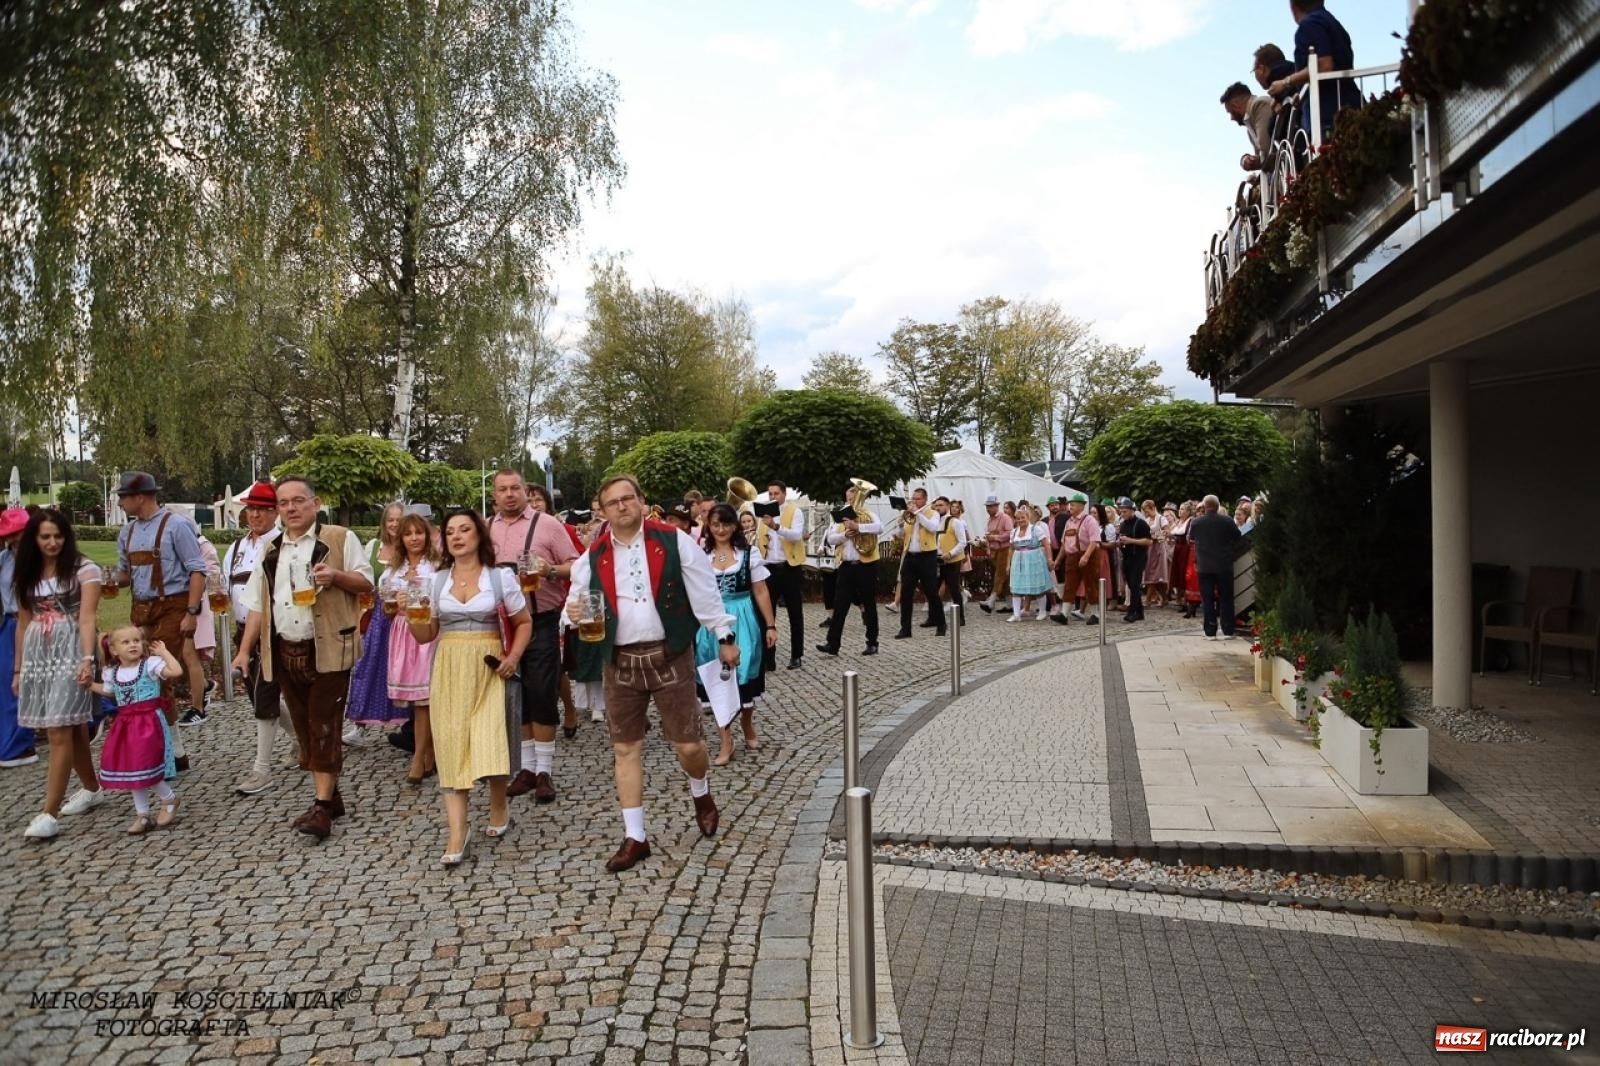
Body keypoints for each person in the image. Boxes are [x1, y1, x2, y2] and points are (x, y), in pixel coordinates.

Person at [566, 474, 738, 873]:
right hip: (619, 660)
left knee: (689, 746)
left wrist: (725, 634)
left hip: (671, 655)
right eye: (614, 502)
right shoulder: (594, 553)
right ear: (603, 510)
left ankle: (701, 791)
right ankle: (635, 837)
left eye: (629, 499)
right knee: (625, 748)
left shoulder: (673, 540)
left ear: (642, 502)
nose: (622, 507)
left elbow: (705, 590)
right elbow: (576, 602)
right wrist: (572, 614)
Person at [231, 477, 374, 840]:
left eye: (298, 501)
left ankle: (322, 808)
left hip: (328, 648)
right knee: (305, 726)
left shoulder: (340, 538)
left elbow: (366, 584)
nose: (291, 508)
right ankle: (332, 795)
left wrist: (337, 575)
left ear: (316, 503)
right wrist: (245, 651)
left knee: (323, 724)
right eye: (284, 503)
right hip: (285, 650)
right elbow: (258, 606)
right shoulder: (271, 549)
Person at [407, 509, 532, 865]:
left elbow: (524, 623)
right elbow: (426, 635)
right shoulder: (436, 580)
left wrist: (514, 658)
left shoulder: (500, 578)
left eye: (464, 529)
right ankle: (457, 831)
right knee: (450, 741)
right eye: (450, 532)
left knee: (490, 737)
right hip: (448, 664)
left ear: (479, 535)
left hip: (489, 665)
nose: (457, 536)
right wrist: (411, 615)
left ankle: (498, 804)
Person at [486, 468, 578, 805]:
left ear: (526, 491)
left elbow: (576, 564)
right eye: (502, 489)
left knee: (541, 690)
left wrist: (549, 570)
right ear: (494, 495)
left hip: (539, 619)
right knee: (516, 693)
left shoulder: (548, 525)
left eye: (515, 488)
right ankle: (525, 769)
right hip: (501, 624)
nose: (509, 494)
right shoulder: (487, 528)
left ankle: (544, 772)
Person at [14, 509, 104, 839]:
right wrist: (19, 668)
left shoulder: (84, 569)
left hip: (72, 649)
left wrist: (86, 658)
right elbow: (23, 623)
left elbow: (87, 618)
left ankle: (48, 813)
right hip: (40, 651)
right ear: (34, 540)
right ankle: (93, 789)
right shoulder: (28, 572)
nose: (52, 542)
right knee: (71, 725)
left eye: (58, 536)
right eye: (45, 537)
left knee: (58, 728)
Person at [114, 471, 205, 769]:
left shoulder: (176, 526)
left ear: (140, 497)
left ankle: (173, 753)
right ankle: (168, 751)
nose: (120, 501)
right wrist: (109, 580)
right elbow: (126, 575)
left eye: (123, 496)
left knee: (158, 675)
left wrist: (191, 613)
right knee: (140, 676)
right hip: (141, 610)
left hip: (172, 608)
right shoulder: (126, 533)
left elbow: (196, 571)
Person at [224, 481, 294, 796]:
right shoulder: (238, 548)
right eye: (251, 509)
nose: (255, 515)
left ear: (275, 512)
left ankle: (261, 769)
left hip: (274, 631)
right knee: (257, 696)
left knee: (264, 693)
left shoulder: (283, 545)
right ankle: (303, 741)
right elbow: (227, 586)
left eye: (262, 510)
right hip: (244, 629)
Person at [696, 504, 775, 766]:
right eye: (716, 525)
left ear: (735, 526)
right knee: (717, 679)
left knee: (744, 674)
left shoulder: (748, 554)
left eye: (727, 524)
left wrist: (771, 625)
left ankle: (747, 722)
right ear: (709, 526)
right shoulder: (700, 556)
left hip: (743, 617)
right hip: (710, 621)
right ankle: (725, 739)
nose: (721, 530)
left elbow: (761, 590)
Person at [92, 628, 182, 834]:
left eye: (136, 640)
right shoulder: (112, 672)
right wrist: (89, 685)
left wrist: (164, 653)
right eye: (125, 642)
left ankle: (169, 799)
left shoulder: (149, 665)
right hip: (125, 725)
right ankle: (142, 814)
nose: (133, 645)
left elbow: (176, 671)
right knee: (133, 768)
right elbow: (109, 692)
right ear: (114, 650)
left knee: (147, 765)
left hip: (149, 723)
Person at [389, 511, 441, 784]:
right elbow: (386, 609)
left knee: (424, 701)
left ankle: (418, 758)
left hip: (426, 633)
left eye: (418, 532)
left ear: (428, 534)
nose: (413, 538)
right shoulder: (394, 569)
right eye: (407, 534)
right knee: (417, 702)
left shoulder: (435, 565)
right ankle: (429, 755)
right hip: (401, 633)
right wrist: (393, 603)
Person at [345, 502, 404, 745]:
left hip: (401, 617)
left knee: (401, 670)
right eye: (390, 519)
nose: (394, 524)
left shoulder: (412, 547)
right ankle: (360, 726)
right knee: (367, 668)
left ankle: (408, 724)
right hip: (377, 616)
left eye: (399, 519)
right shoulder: (373, 547)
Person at [1269, 0, 1360, 139]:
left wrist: (1285, 83)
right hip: (1349, 104)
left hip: (1329, 114)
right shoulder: (1330, 21)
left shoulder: (1309, 25)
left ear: (1293, 7)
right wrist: (1301, 93)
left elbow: (1324, 65)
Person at [816, 484, 883, 658]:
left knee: (869, 604)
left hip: (865, 565)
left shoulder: (868, 514)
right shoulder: (839, 517)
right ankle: (832, 643)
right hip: (845, 566)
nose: (850, 499)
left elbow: (879, 528)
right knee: (840, 606)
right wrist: (845, 534)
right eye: (848, 496)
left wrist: (858, 527)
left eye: (853, 496)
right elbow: (830, 539)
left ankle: (872, 642)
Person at [0, 507, 37, 768]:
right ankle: (13, 741)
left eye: (18, 534)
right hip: (9, 624)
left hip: (37, 624)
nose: (14, 540)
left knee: (25, 683)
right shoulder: (3, 559)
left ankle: (21, 745)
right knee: (9, 684)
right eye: (9, 535)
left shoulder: (41, 558)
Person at [756, 480, 807, 670]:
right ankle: (769, 658)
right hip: (769, 567)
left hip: (789, 567)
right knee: (767, 615)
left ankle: (796, 655)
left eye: (776, 493)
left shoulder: (794, 511)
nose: (772, 497)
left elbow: (796, 535)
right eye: (770, 494)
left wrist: (776, 527)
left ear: (784, 494)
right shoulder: (763, 515)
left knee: (795, 612)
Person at [1189, 494, 1244, 639]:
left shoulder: (1196, 522)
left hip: (1204, 566)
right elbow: (1239, 538)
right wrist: (1231, 553)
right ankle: (1228, 630)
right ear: (1218, 506)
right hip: (1224, 565)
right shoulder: (1227, 521)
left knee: (1207, 598)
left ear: (1205, 507)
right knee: (1226, 598)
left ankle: (1210, 631)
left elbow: (1191, 538)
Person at [895, 488, 945, 639]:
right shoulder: (909, 515)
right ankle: (905, 629)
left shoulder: (933, 513)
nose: (914, 502)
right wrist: (899, 526)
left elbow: (933, 527)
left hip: (927, 556)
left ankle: (941, 624)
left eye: (917, 499)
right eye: (913, 498)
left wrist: (918, 514)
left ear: (925, 499)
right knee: (906, 593)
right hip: (910, 556)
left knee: (931, 592)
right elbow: (902, 534)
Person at [1006, 505, 1052, 621]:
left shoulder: (1035, 529)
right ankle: (1016, 614)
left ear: (1028, 517)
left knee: (1037, 585)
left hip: (1034, 559)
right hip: (1018, 560)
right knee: (1016, 586)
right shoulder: (1014, 532)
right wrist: (1008, 564)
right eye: (1018, 518)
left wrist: (1049, 559)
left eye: (1023, 518)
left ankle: (1042, 611)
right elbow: (1011, 548)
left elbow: (1046, 544)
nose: (1020, 520)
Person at [1221, 82, 1277, 175]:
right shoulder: (1250, 124)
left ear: (1236, 105)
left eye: (1230, 112)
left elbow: (1266, 149)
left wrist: (1256, 162)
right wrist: (1246, 160)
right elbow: (1263, 157)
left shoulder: (1259, 104)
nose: (1232, 118)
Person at [1115, 498, 1152, 623]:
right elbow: (1122, 538)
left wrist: (1131, 541)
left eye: (1124, 511)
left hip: (1138, 557)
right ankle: (1140, 612)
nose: (1122, 514)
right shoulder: (1124, 524)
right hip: (1127, 557)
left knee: (1135, 584)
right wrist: (1119, 542)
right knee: (1131, 584)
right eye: (1121, 512)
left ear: (1132, 511)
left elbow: (1148, 541)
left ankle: (1132, 612)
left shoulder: (1141, 523)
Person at [932, 497, 967, 627]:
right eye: (936, 506)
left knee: (954, 590)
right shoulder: (934, 521)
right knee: (933, 589)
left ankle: (960, 618)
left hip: (952, 560)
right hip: (937, 559)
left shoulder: (955, 522)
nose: (937, 508)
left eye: (940, 505)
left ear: (947, 506)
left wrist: (950, 553)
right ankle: (934, 617)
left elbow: (962, 542)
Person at [978, 494, 1012, 614]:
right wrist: (988, 547)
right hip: (994, 552)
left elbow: (1010, 534)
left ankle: (991, 601)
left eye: (991, 506)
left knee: (999, 576)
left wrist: (995, 537)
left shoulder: (1005, 518)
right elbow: (988, 536)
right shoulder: (989, 520)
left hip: (1005, 550)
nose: (988, 509)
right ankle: (1010, 604)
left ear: (997, 506)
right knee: (1004, 578)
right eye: (987, 506)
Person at [1142, 500, 1172, 609]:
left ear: (1153, 508)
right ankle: (1163, 598)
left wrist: (1158, 535)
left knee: (1157, 575)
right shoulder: (1147, 520)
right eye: (1144, 511)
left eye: (1147, 511)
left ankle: (1148, 600)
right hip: (1149, 549)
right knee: (1151, 574)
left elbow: (1167, 532)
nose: (1146, 513)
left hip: (1158, 548)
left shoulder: (1161, 519)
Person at [1169, 502, 1194, 614]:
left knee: (1184, 573)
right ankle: (1180, 598)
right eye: (1180, 509)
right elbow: (1174, 534)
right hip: (1178, 548)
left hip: (1185, 549)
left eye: (1183, 509)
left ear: (1188, 512)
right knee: (1177, 573)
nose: (1180, 511)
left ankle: (1186, 600)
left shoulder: (1190, 521)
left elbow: (1186, 535)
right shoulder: (1179, 522)